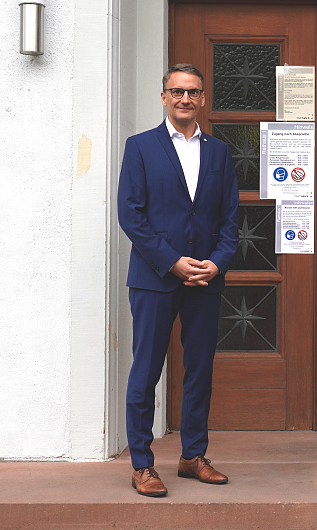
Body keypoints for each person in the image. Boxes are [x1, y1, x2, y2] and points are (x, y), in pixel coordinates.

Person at [118, 63, 239, 497]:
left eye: (193, 92)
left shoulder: (219, 152)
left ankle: (193, 456)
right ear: (164, 97)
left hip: (205, 281)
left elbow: (230, 219)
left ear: (202, 99)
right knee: (146, 371)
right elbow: (130, 214)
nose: (185, 99)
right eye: (177, 91)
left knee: (199, 371)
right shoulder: (140, 147)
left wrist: (217, 263)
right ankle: (142, 464)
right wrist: (172, 262)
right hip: (154, 278)